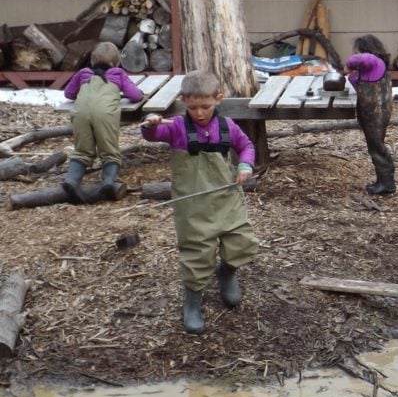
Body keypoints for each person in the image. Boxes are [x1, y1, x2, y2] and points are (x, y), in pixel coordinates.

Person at [140, 70, 259, 334]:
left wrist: (245, 164)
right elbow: (151, 134)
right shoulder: (177, 127)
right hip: (192, 206)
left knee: (243, 243)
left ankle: (226, 273)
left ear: (219, 99)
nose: (200, 113)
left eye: (205, 106)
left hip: (227, 199)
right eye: (192, 107)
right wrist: (149, 123)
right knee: (197, 254)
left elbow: (246, 146)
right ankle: (192, 301)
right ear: (183, 101)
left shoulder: (228, 127)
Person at [62, 42, 144, 203]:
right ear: (116, 62)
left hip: (81, 112)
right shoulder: (117, 73)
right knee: (109, 150)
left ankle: (71, 181)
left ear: (92, 61)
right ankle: (107, 183)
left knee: (82, 150)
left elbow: (69, 94)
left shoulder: (83, 73)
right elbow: (135, 96)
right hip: (105, 113)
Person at [343, 34, 395, 195]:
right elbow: (356, 80)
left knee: (377, 146)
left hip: (376, 113)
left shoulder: (374, 61)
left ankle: (387, 184)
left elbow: (363, 58)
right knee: (374, 146)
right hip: (371, 112)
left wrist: (348, 64)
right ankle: (382, 181)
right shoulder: (370, 69)